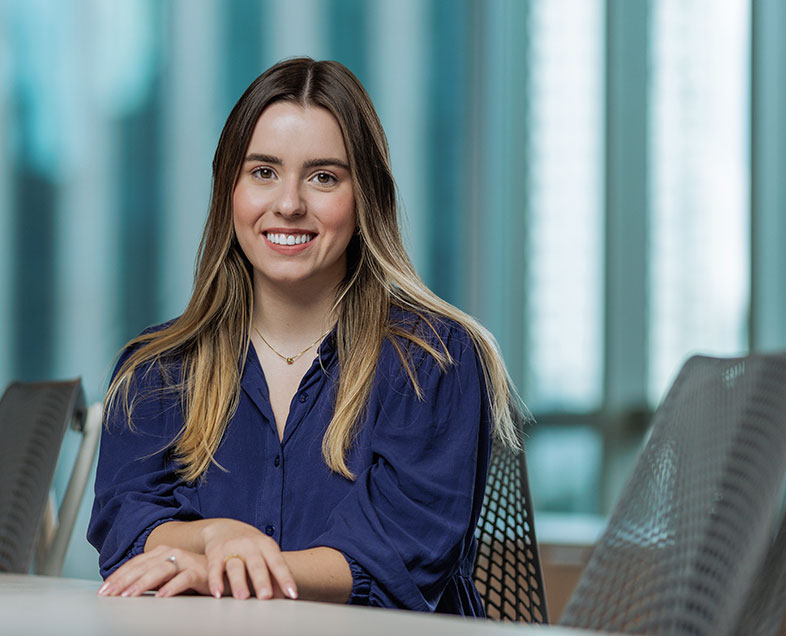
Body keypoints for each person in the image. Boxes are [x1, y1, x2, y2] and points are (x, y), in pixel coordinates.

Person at [87, 57, 523, 615]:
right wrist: (216, 538)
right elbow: (125, 525)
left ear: (364, 197)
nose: (289, 204)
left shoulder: (435, 359)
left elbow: (396, 556)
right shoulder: (155, 369)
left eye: (324, 177)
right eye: (263, 172)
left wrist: (225, 572)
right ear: (229, 191)